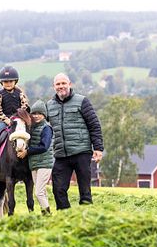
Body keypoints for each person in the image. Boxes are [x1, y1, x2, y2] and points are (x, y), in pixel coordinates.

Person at [46, 73, 104, 209]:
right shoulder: (49, 105)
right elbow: (40, 124)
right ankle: (66, 219)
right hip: (61, 155)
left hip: (81, 152)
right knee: (58, 190)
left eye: (63, 83)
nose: (61, 86)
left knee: (85, 192)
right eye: (58, 84)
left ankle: (85, 220)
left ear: (69, 84)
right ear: (54, 87)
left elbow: (94, 125)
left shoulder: (82, 101)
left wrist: (98, 148)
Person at [16, 99, 53, 215]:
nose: (36, 116)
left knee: (38, 193)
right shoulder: (32, 128)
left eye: (39, 114)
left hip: (44, 164)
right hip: (34, 164)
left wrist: (27, 151)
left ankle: (47, 215)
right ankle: (45, 214)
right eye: (34, 113)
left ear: (44, 115)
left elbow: (44, 146)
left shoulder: (46, 128)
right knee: (42, 192)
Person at [0, 65, 29, 163]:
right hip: (5, 120)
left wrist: (19, 118)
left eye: (10, 81)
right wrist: (7, 120)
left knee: (30, 129)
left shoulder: (20, 94)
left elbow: (24, 107)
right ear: (1, 82)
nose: (8, 83)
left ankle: (30, 150)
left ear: (15, 81)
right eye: (5, 81)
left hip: (19, 119)